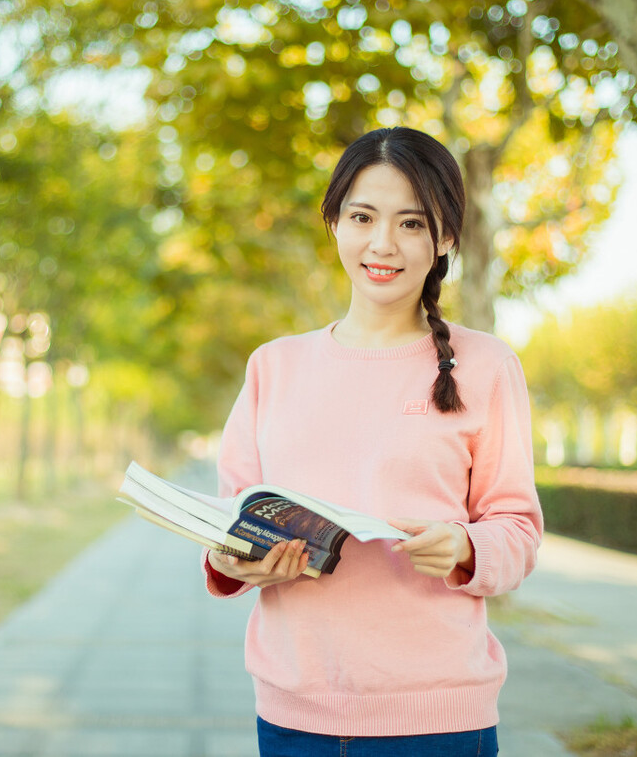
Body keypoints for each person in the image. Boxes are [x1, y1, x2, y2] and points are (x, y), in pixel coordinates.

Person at [203, 126, 543, 757]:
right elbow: (231, 521)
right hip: (292, 713)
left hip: (437, 720)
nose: (383, 243)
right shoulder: (273, 367)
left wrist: (467, 546)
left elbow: (517, 528)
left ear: (443, 239)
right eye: (363, 216)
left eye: (412, 224)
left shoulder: (488, 366)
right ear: (334, 223)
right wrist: (236, 563)